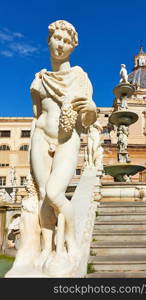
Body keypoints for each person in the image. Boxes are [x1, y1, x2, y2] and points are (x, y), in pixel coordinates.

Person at [29, 20, 97, 267]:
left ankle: (71, 243)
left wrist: (91, 108)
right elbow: (38, 115)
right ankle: (46, 249)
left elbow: (87, 120)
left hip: (68, 138)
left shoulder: (80, 77)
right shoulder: (39, 79)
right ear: (49, 41)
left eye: (67, 41)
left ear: (73, 47)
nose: (61, 44)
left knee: (55, 192)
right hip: (40, 138)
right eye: (58, 39)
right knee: (42, 196)